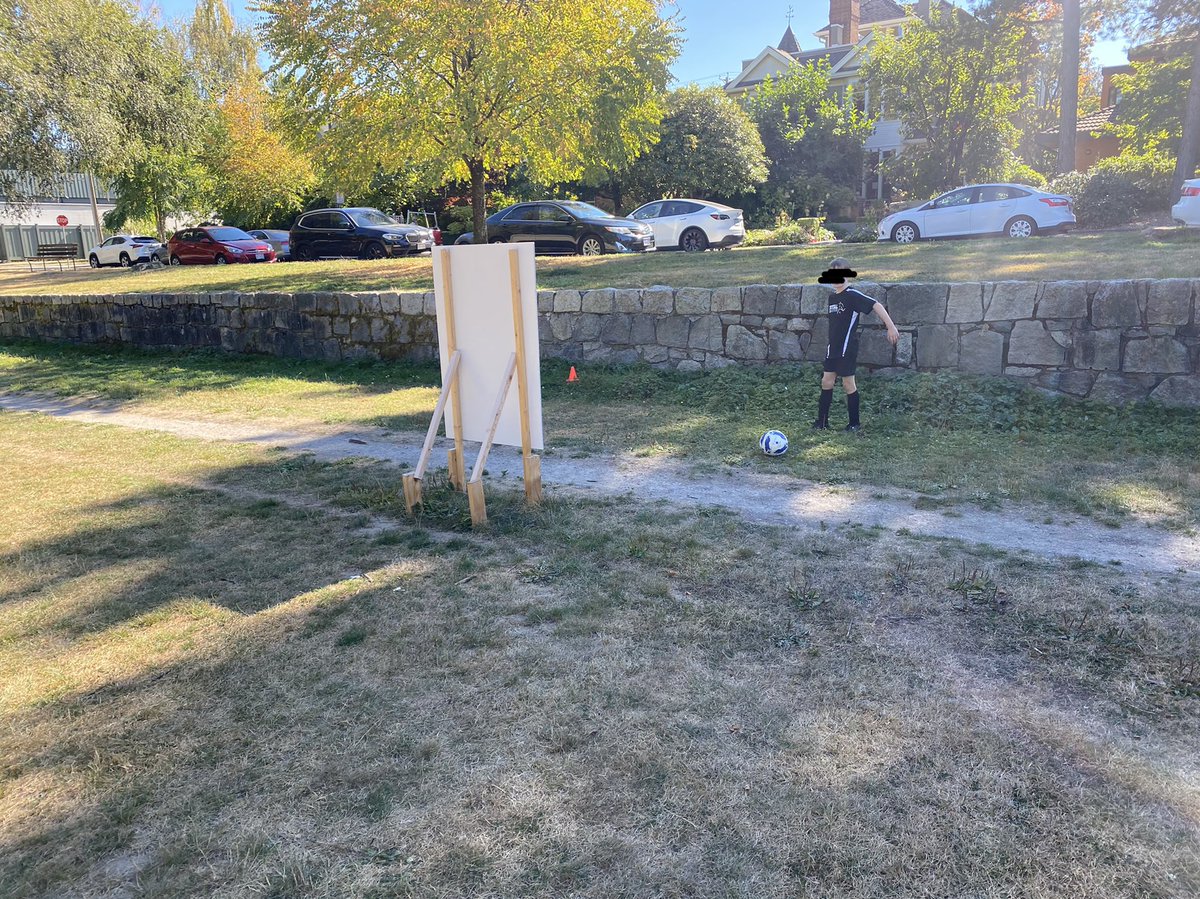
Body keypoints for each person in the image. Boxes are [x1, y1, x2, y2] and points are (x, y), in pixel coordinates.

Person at [812, 257, 900, 432]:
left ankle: (854, 424)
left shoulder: (852, 295)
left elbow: (876, 305)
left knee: (848, 384)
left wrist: (891, 327)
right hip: (833, 348)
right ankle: (822, 422)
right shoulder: (832, 298)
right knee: (826, 381)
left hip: (847, 348)